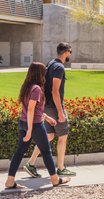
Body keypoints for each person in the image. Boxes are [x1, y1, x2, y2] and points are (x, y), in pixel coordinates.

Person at [5, 62, 70, 189]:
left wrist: (46, 117)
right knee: (46, 151)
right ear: (39, 73)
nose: (45, 73)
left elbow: (34, 109)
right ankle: (55, 179)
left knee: (19, 153)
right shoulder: (36, 89)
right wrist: (30, 130)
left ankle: (10, 181)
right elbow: (30, 109)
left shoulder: (27, 87)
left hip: (23, 123)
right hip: (33, 125)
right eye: (43, 71)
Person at [24, 42, 76, 177]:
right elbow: (55, 90)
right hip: (54, 106)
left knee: (49, 135)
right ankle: (61, 168)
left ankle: (31, 163)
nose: (70, 54)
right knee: (63, 135)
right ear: (66, 52)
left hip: (46, 105)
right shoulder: (59, 67)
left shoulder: (50, 63)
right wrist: (60, 111)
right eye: (70, 52)